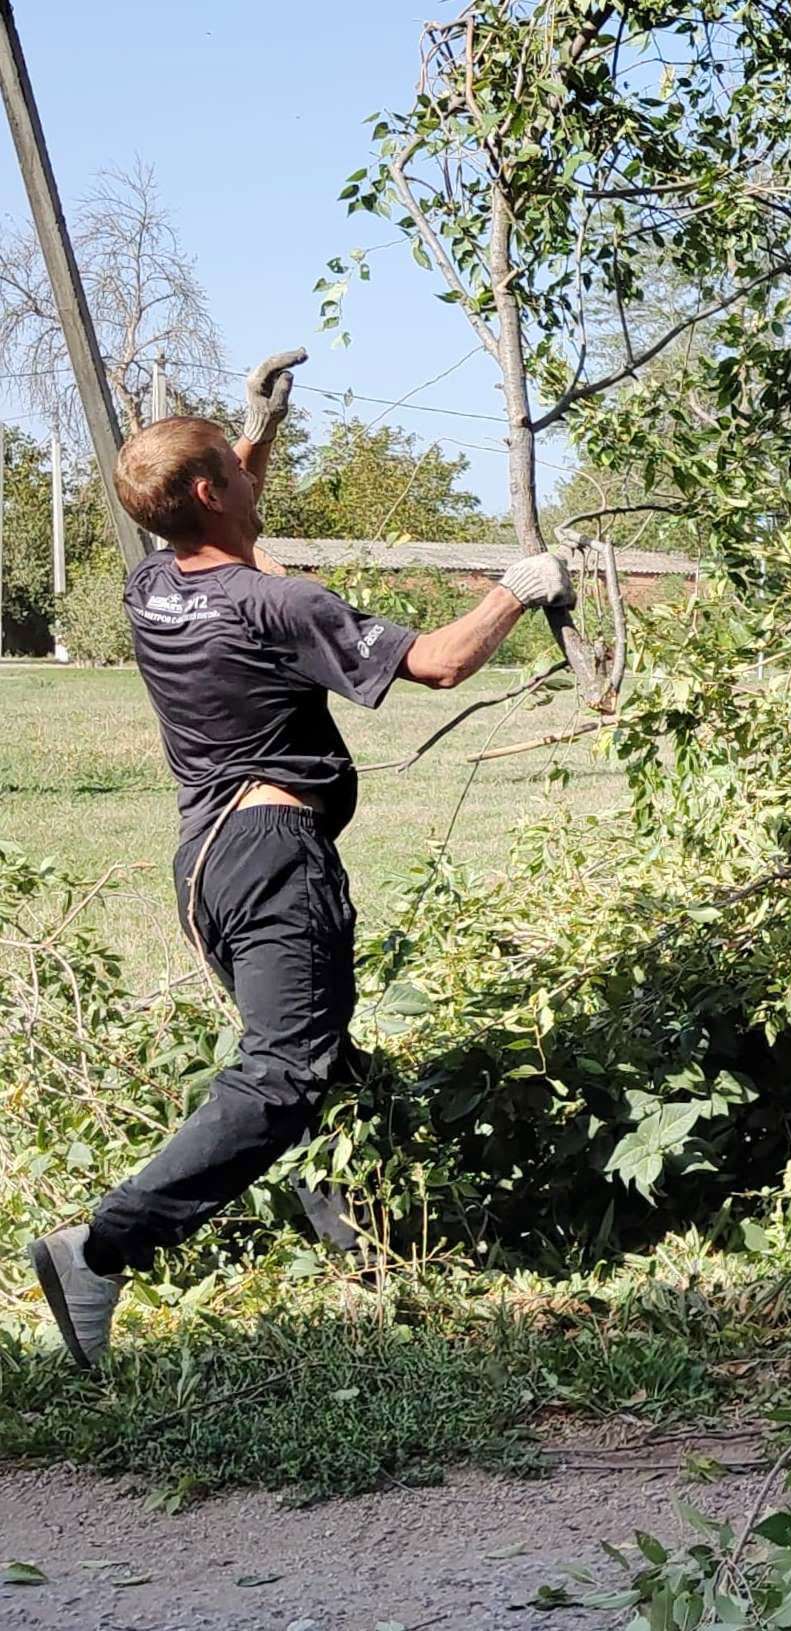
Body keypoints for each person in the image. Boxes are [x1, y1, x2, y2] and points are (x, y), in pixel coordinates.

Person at [25, 353, 575, 1368]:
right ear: (207, 492)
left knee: (320, 1064)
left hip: (207, 861)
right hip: (277, 857)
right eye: (235, 472)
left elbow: (214, 509)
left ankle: (366, 1245)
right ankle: (100, 1247)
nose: (248, 479)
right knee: (283, 1074)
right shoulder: (282, 605)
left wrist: (256, 428)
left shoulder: (153, 582)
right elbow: (441, 660)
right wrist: (518, 586)